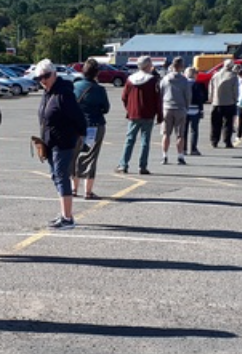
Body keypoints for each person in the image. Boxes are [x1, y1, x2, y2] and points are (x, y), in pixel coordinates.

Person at [33, 58, 84, 227]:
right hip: (49, 142)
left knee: (61, 177)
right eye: (39, 78)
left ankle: (67, 218)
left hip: (63, 142)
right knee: (56, 176)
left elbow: (78, 118)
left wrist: (78, 136)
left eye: (46, 76)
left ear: (54, 74)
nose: (43, 80)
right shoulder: (48, 93)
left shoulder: (63, 93)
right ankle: (64, 213)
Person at [116, 55, 163, 174]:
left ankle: (123, 164)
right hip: (148, 114)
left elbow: (124, 97)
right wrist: (159, 115)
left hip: (133, 114)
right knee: (145, 141)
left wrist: (129, 109)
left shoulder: (130, 79)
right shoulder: (152, 80)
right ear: (148, 65)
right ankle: (142, 166)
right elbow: (157, 99)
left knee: (129, 140)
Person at [73, 58, 112, 198]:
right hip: (94, 125)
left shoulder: (75, 86)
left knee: (74, 155)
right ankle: (88, 191)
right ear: (97, 73)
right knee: (90, 157)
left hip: (76, 125)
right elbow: (105, 108)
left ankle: (73, 189)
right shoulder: (99, 89)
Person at [159, 57, 191, 165]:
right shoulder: (184, 80)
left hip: (167, 107)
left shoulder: (165, 79)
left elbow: (161, 93)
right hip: (180, 108)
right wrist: (186, 107)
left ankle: (164, 155)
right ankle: (180, 156)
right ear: (181, 67)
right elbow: (188, 95)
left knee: (166, 134)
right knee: (180, 134)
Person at [208, 59, 239, 148]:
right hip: (229, 102)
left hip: (216, 102)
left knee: (215, 123)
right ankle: (227, 141)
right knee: (228, 124)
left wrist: (211, 98)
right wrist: (235, 99)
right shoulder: (233, 76)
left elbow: (211, 88)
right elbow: (235, 90)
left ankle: (214, 141)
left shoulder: (215, 75)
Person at [183, 65, 206, 156]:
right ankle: (193, 149)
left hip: (184, 109)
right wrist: (201, 110)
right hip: (195, 110)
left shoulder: (183, 84)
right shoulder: (198, 85)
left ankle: (183, 149)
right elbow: (201, 99)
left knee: (184, 130)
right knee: (194, 130)